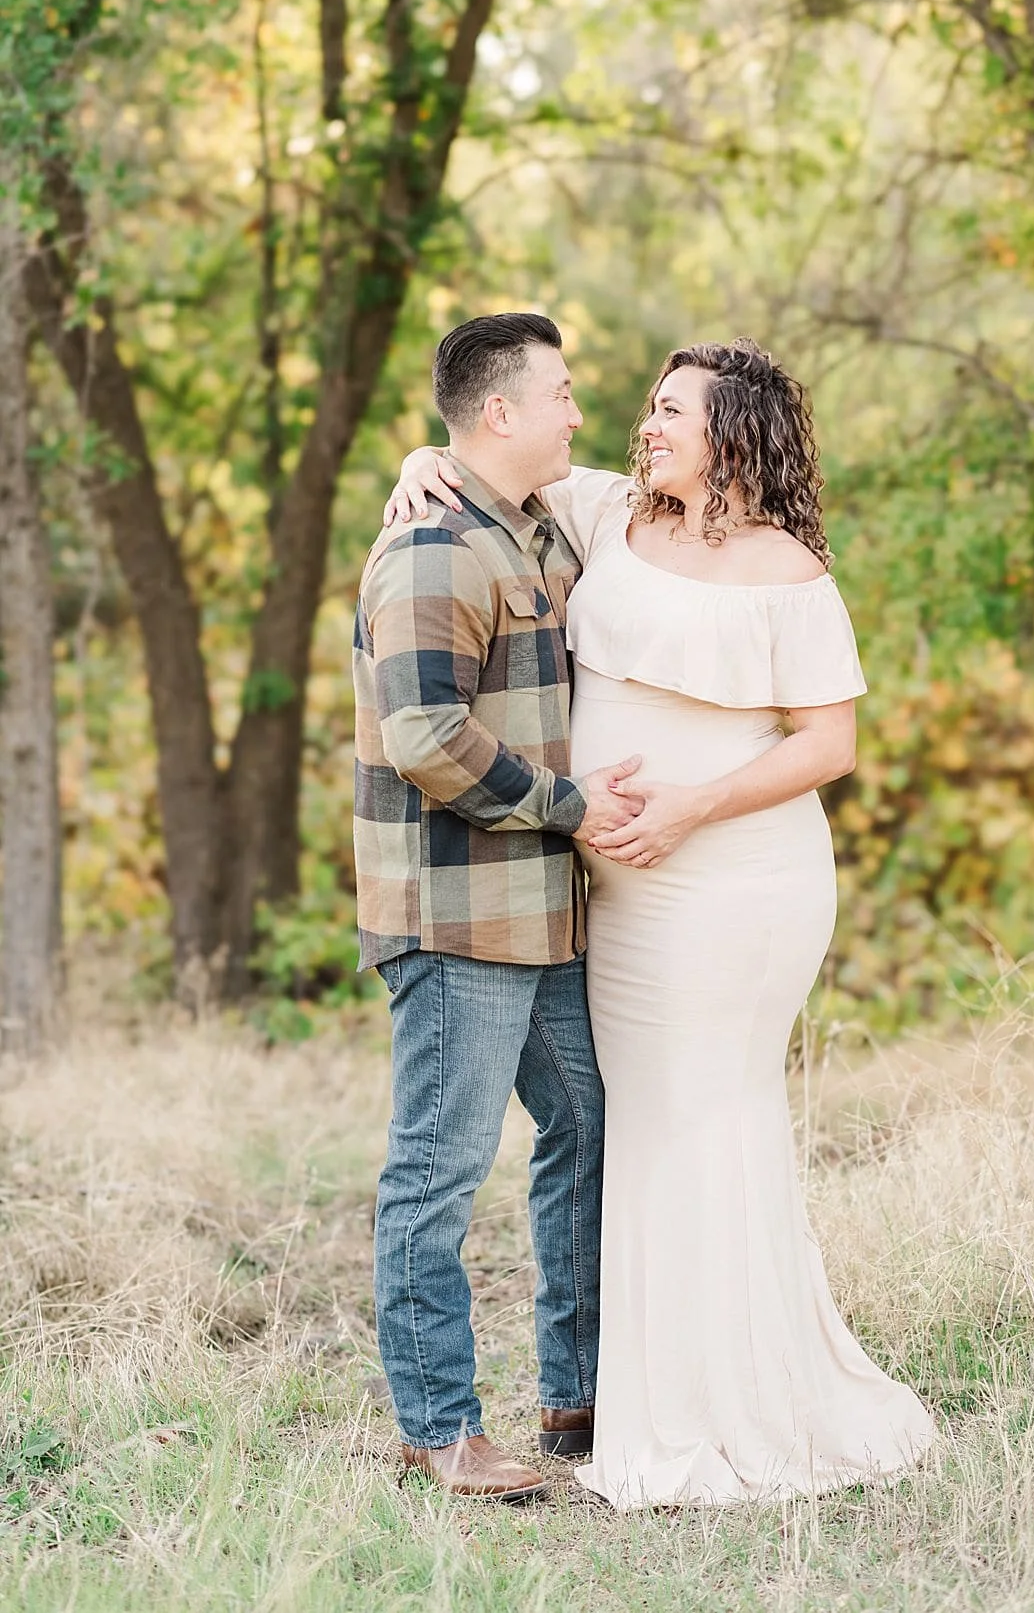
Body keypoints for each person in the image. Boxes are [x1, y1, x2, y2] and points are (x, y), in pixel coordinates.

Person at [383, 337, 935, 1509]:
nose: (644, 424)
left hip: (735, 879)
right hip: (607, 886)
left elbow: (829, 743)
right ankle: (625, 1388)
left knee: (701, 1108)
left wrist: (691, 807)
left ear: (734, 430)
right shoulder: (601, 513)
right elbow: (487, 459)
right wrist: (422, 453)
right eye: (644, 406)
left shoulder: (791, 571)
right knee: (624, 1120)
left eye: (672, 411)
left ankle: (724, 1393)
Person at [353, 311, 647, 1502]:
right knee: (438, 1168)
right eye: (564, 393)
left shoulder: (539, 531)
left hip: (544, 916)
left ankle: (576, 1392)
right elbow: (424, 734)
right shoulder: (431, 548)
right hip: (458, 916)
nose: (580, 411)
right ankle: (439, 1429)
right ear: (499, 414)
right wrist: (570, 806)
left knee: (586, 1128)